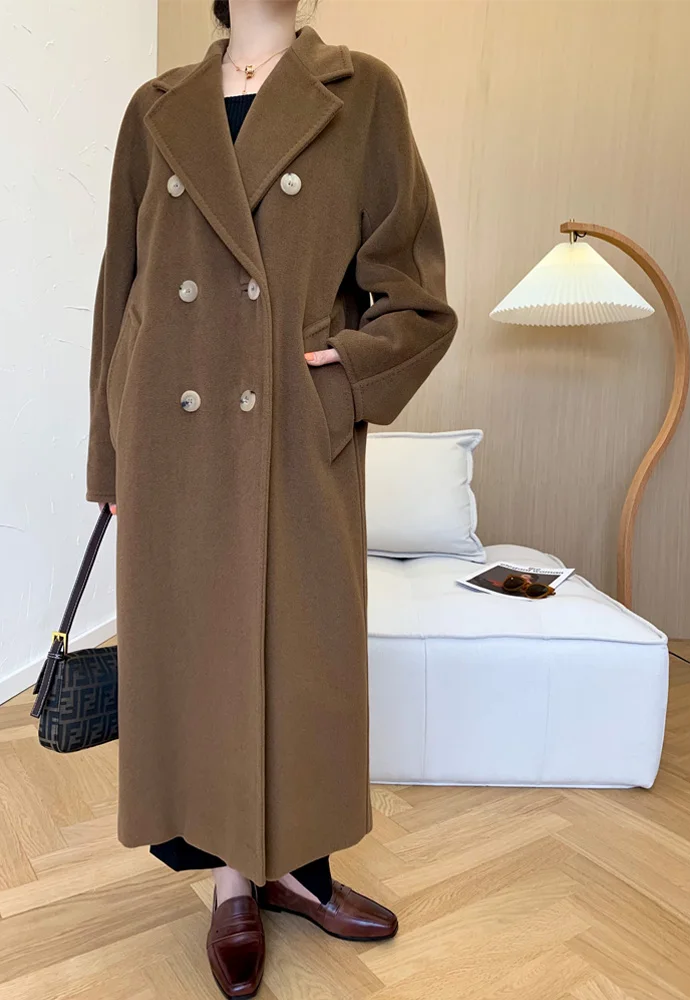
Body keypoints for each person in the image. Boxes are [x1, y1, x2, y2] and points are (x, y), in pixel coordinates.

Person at [87, 1, 458, 995]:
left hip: (292, 435)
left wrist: (342, 376)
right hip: (171, 439)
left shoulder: (362, 92)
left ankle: (296, 869)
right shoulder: (155, 107)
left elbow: (417, 298)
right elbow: (120, 291)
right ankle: (230, 882)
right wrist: (110, 459)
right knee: (200, 657)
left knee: (304, 654)